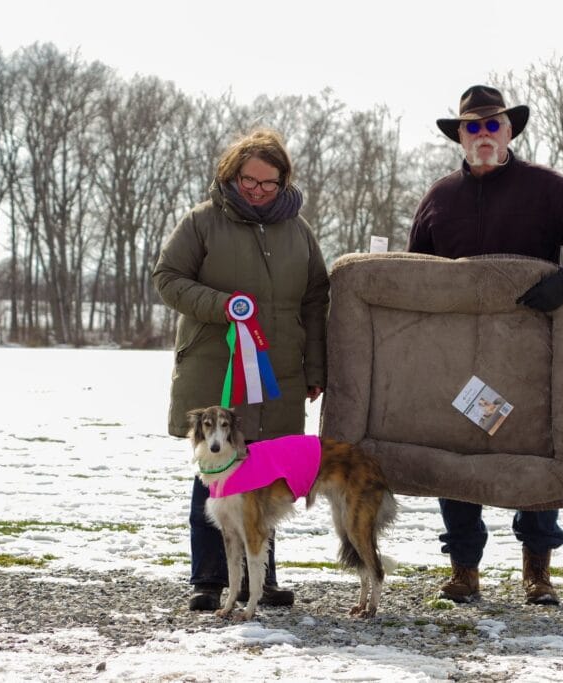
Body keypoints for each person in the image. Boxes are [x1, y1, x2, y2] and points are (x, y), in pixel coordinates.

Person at [407, 85, 563, 605]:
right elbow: (416, 275)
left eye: (492, 125)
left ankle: (538, 571)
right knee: (457, 454)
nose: (483, 135)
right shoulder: (439, 199)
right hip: (461, 355)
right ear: (459, 136)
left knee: (532, 454)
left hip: (529, 353)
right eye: (472, 127)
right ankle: (464, 569)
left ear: (510, 131)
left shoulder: (546, 189)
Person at [153, 128, 329, 611]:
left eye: (267, 183)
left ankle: (261, 581)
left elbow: (316, 301)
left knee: (267, 475)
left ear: (283, 182)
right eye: (246, 180)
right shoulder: (202, 222)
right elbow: (166, 279)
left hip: (280, 376)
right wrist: (223, 306)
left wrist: (316, 365)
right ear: (230, 175)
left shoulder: (299, 231)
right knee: (215, 471)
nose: (255, 190)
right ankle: (208, 580)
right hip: (217, 370)